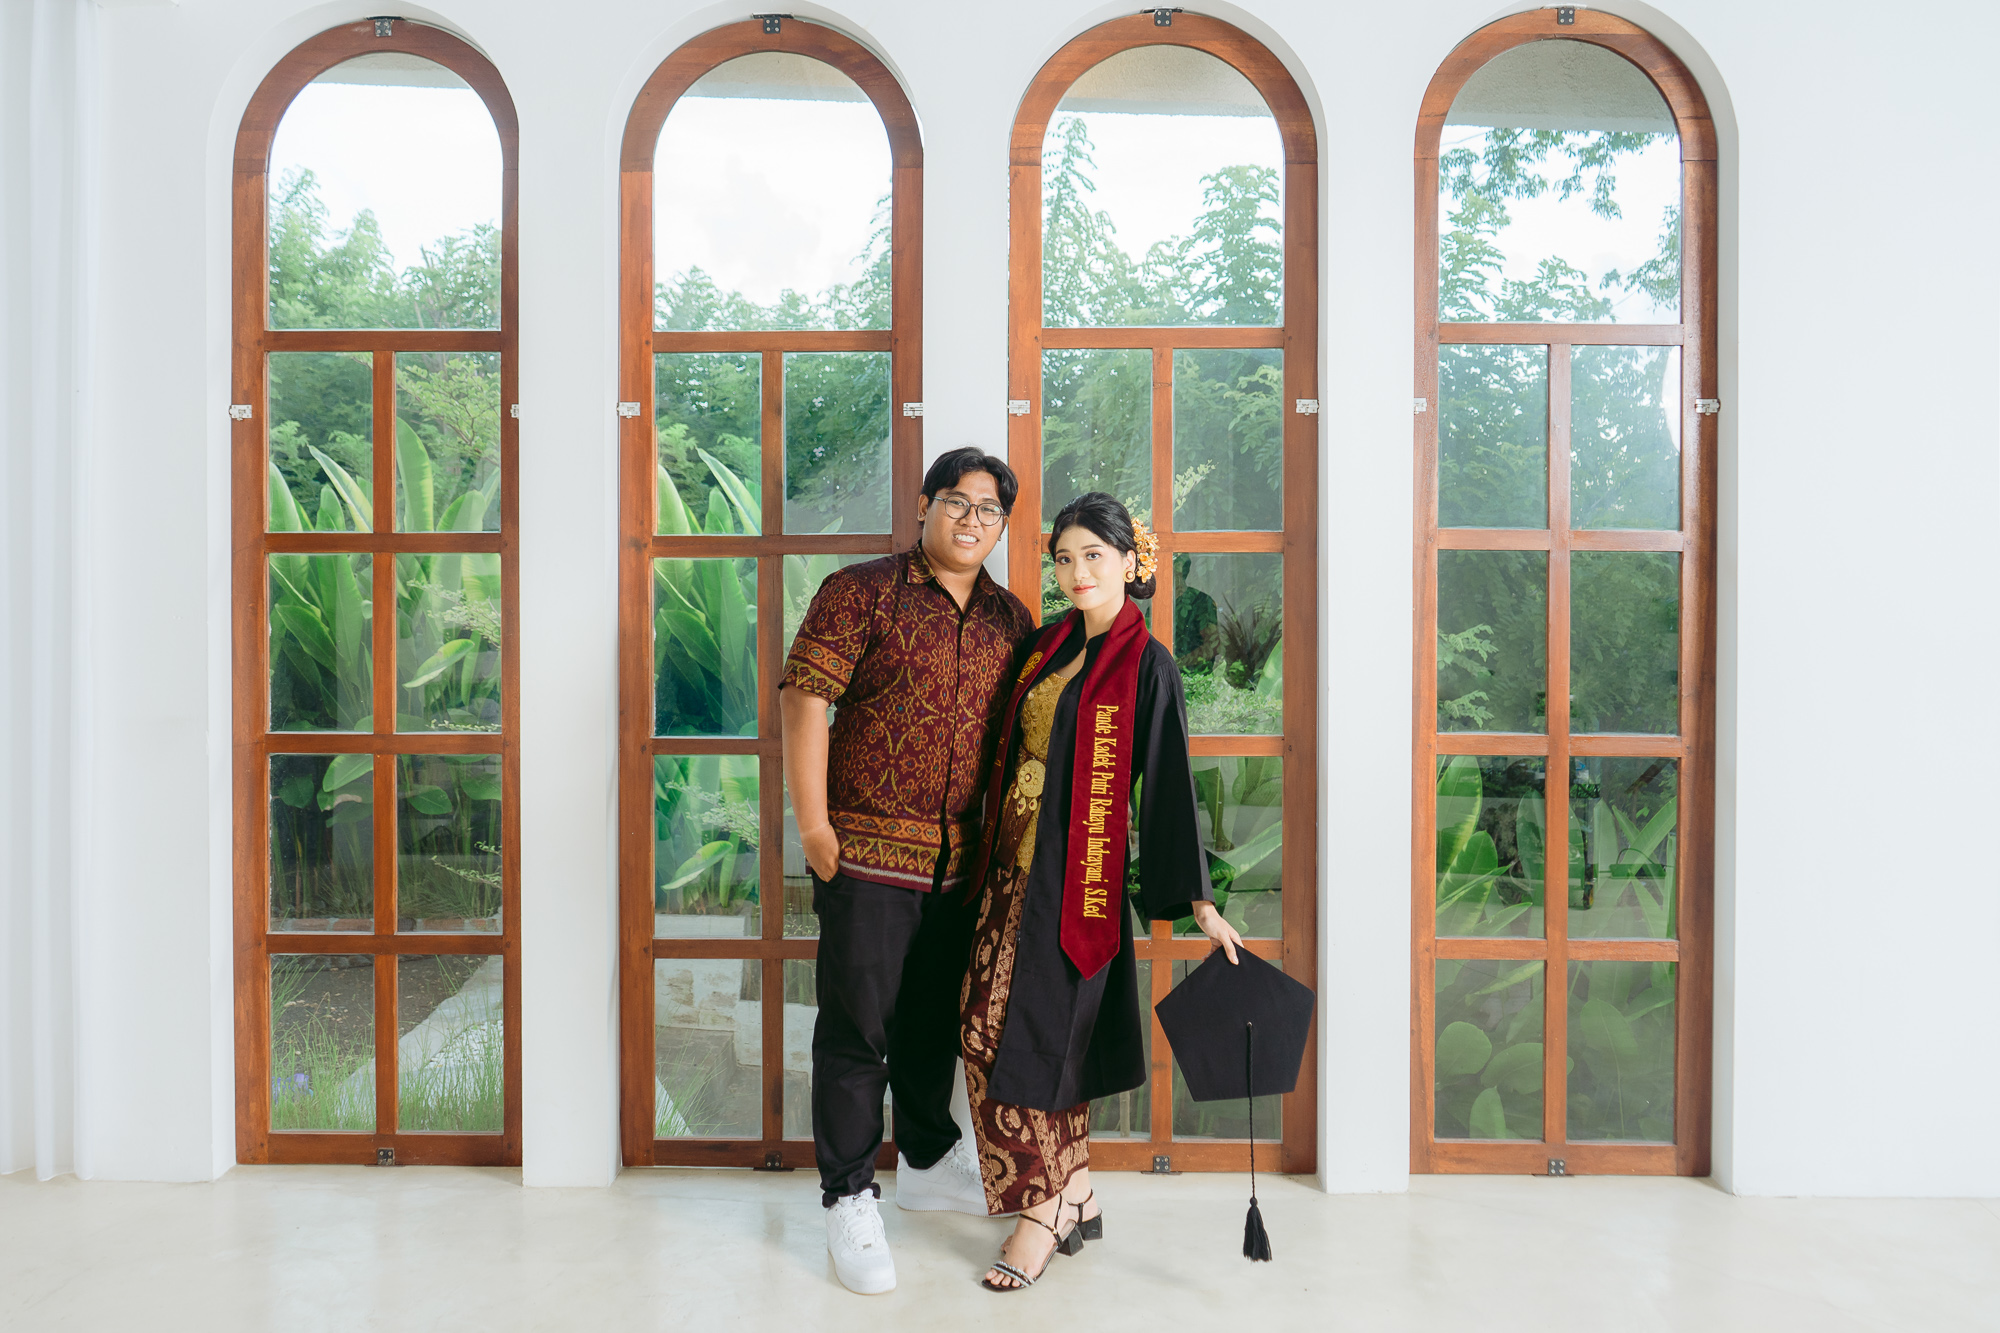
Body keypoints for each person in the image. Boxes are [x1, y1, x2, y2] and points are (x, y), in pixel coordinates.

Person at [959, 492, 1245, 1292]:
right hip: (1008, 871)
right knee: (982, 1028)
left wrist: (1200, 901)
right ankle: (1075, 1187)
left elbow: (1168, 783)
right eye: (1064, 557)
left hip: (1074, 888)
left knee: (1037, 1040)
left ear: (1129, 559)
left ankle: (1043, 1210)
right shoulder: (1046, 645)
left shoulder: (1148, 665)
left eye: (1093, 555)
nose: (1076, 571)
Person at [779, 447, 1036, 1296]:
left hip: (962, 866)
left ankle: (925, 1159)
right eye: (957, 502)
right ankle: (848, 1195)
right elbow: (804, 698)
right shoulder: (862, 591)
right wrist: (814, 826)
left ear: (1002, 523)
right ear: (925, 504)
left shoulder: (1010, 619)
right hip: (864, 854)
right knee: (858, 1031)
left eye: (989, 510)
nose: (972, 520)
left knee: (933, 1024)